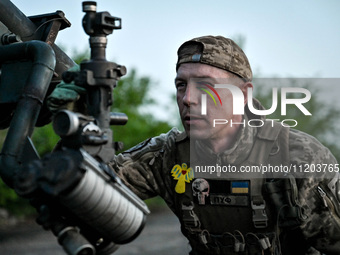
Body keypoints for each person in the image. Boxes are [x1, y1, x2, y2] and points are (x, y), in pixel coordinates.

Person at [48, 35, 340, 255]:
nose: (187, 98)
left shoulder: (299, 159)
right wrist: (75, 122)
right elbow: (82, 190)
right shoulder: (168, 155)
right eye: (181, 85)